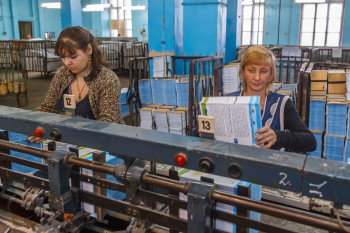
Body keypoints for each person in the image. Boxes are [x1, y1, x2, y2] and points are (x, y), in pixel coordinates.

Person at [28, 26, 124, 143]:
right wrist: (39, 126)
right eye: (63, 57)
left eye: (73, 57)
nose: (67, 63)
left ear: (89, 50)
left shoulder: (107, 79)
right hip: (66, 141)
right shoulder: (62, 74)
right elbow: (49, 107)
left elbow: (108, 122)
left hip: (101, 144)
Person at [228, 45, 316, 153]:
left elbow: (310, 141)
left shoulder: (282, 104)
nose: (257, 77)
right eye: (251, 70)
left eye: (263, 71)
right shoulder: (228, 101)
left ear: (271, 74)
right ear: (243, 72)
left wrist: (278, 136)